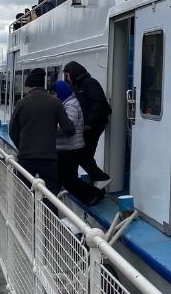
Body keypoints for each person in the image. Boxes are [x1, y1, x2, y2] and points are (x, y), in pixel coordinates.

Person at [8, 67, 75, 198]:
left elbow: (12, 132)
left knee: (24, 195)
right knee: (50, 196)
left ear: (29, 87)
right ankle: (48, 216)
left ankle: (27, 218)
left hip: (26, 158)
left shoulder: (21, 103)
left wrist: (22, 147)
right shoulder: (55, 102)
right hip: (48, 158)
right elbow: (68, 128)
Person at [54, 80, 104, 206]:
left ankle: (94, 194)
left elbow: (68, 125)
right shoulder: (66, 103)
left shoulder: (70, 105)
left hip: (71, 148)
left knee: (69, 180)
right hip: (67, 147)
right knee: (66, 178)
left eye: (54, 93)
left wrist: (50, 127)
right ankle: (89, 195)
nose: (53, 96)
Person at [63, 61, 111, 187]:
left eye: (67, 75)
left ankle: (101, 178)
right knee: (85, 154)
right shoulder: (78, 85)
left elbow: (98, 103)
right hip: (87, 125)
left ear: (73, 73)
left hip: (94, 125)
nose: (67, 78)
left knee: (83, 153)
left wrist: (89, 123)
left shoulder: (90, 83)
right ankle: (96, 179)